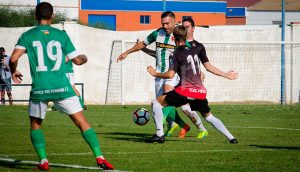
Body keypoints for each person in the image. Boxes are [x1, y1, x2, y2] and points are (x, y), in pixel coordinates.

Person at [9, 2, 113, 170]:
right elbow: (77, 61)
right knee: (82, 122)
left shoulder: (27, 36)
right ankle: (99, 157)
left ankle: (43, 160)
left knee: (36, 125)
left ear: (35, 16)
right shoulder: (61, 35)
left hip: (39, 89)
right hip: (62, 88)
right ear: (53, 16)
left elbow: (13, 59)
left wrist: (14, 71)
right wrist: (84, 58)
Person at [118, 11, 205, 139]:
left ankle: (160, 133)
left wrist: (198, 72)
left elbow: (190, 56)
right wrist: (127, 52)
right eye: (163, 23)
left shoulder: (179, 37)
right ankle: (187, 126)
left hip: (173, 75)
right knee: (163, 105)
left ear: (174, 22)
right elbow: (143, 44)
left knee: (167, 95)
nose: (165, 26)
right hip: (159, 74)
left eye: (167, 23)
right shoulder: (157, 33)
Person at [147, 25, 239, 144]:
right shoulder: (195, 49)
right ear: (186, 37)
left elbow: (170, 75)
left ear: (173, 39)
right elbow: (208, 66)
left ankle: (159, 134)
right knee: (209, 116)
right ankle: (231, 138)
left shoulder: (176, 53)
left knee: (156, 103)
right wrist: (226, 75)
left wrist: (155, 73)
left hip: (184, 91)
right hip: (200, 92)